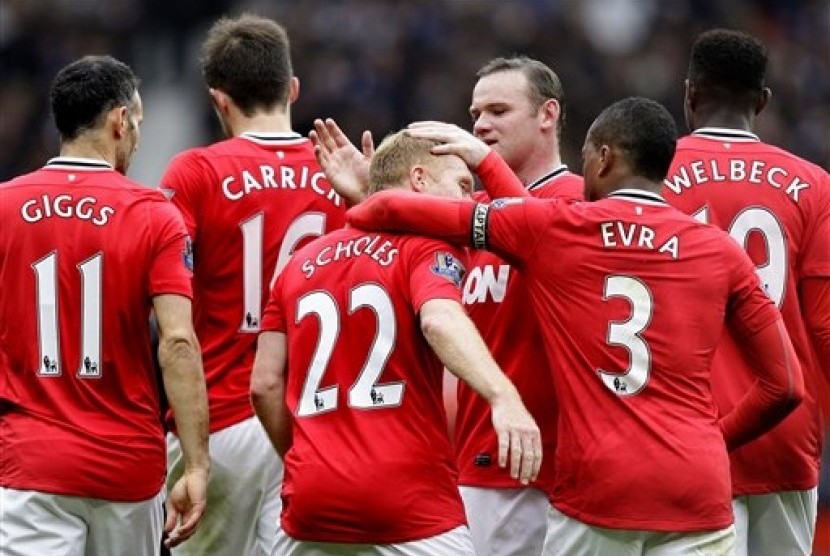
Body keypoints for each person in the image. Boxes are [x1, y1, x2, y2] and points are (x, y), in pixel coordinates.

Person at [346, 97, 805, 555]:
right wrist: (712, 439)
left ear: (604, 158)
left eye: (584, 157)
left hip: (597, 487)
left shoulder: (558, 227)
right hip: (696, 484)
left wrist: (369, 198)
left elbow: (388, 211)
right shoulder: (720, 250)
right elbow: (783, 385)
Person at [310, 56, 582, 555]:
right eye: (475, 113)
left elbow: (533, 237)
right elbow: (399, 276)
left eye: (499, 110)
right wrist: (377, 194)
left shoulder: (580, 203)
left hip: (557, 460)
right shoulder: (465, 215)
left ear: (548, 115)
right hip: (480, 459)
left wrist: (484, 162)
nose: (480, 125)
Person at [250, 130, 542, 556]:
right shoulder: (427, 248)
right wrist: (503, 396)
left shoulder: (297, 265)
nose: (468, 202)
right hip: (408, 503)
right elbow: (440, 320)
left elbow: (263, 385)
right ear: (420, 179)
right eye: (462, 186)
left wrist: (311, 458)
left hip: (310, 504)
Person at [0, 55, 209, 556]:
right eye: (136, 124)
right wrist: (197, 465)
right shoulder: (154, 214)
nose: (136, 137)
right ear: (119, 122)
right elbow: (177, 342)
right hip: (125, 468)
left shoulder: (4, 205)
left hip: (31, 464)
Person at [159, 14, 347, 556]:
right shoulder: (341, 173)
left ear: (219, 100)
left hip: (222, 419)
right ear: (292, 89)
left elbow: (166, 293)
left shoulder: (194, 172)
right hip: (317, 422)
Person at [662, 28, 830, 556]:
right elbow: (824, 325)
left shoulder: (651, 176)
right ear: (763, 100)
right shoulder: (815, 184)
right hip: (786, 433)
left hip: (686, 430)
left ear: (689, 93)